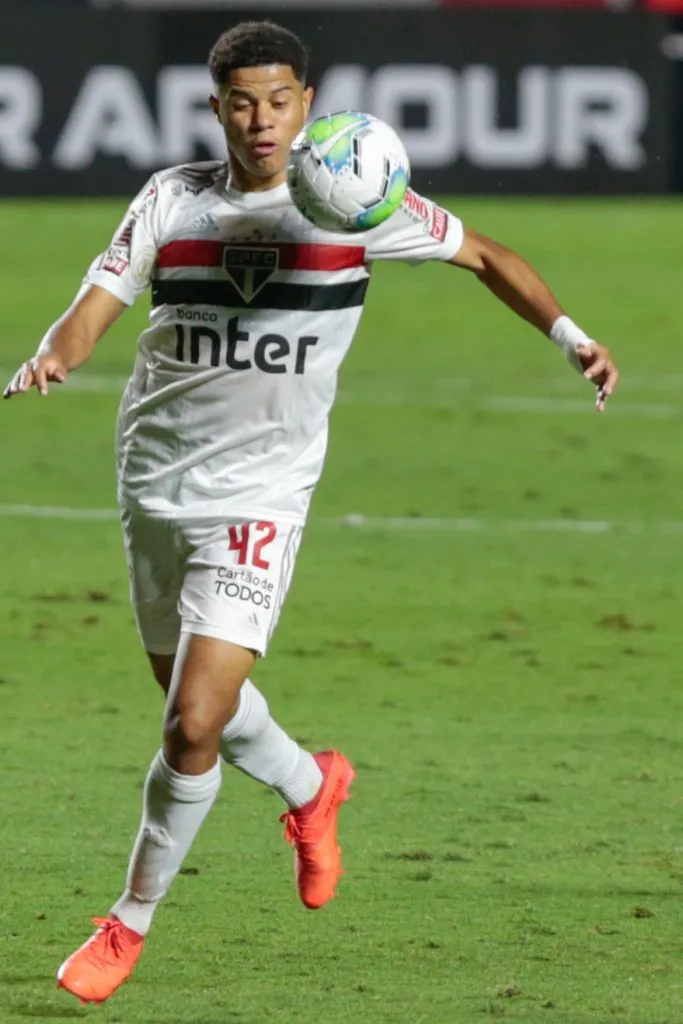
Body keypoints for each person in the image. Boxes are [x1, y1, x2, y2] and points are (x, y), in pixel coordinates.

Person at [3, 19, 619, 1008]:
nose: (262, 120)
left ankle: (127, 919)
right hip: (153, 481)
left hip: (260, 496)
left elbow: (486, 254)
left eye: (280, 100)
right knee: (198, 708)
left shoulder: (353, 198)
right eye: (242, 101)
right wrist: (54, 357)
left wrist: (569, 335)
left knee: (191, 722)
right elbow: (94, 301)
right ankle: (309, 783)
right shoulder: (170, 196)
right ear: (216, 107)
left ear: (306, 101)